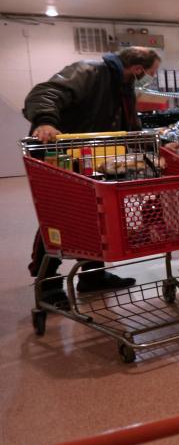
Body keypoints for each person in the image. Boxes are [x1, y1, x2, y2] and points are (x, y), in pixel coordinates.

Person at [24, 46, 163, 304]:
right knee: (59, 217)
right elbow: (45, 92)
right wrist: (45, 121)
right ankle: (47, 283)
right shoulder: (88, 71)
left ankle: (93, 276)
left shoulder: (124, 86)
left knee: (96, 216)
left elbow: (130, 126)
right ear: (137, 69)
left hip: (95, 158)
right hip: (62, 156)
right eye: (151, 73)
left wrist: (155, 148)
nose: (150, 78)